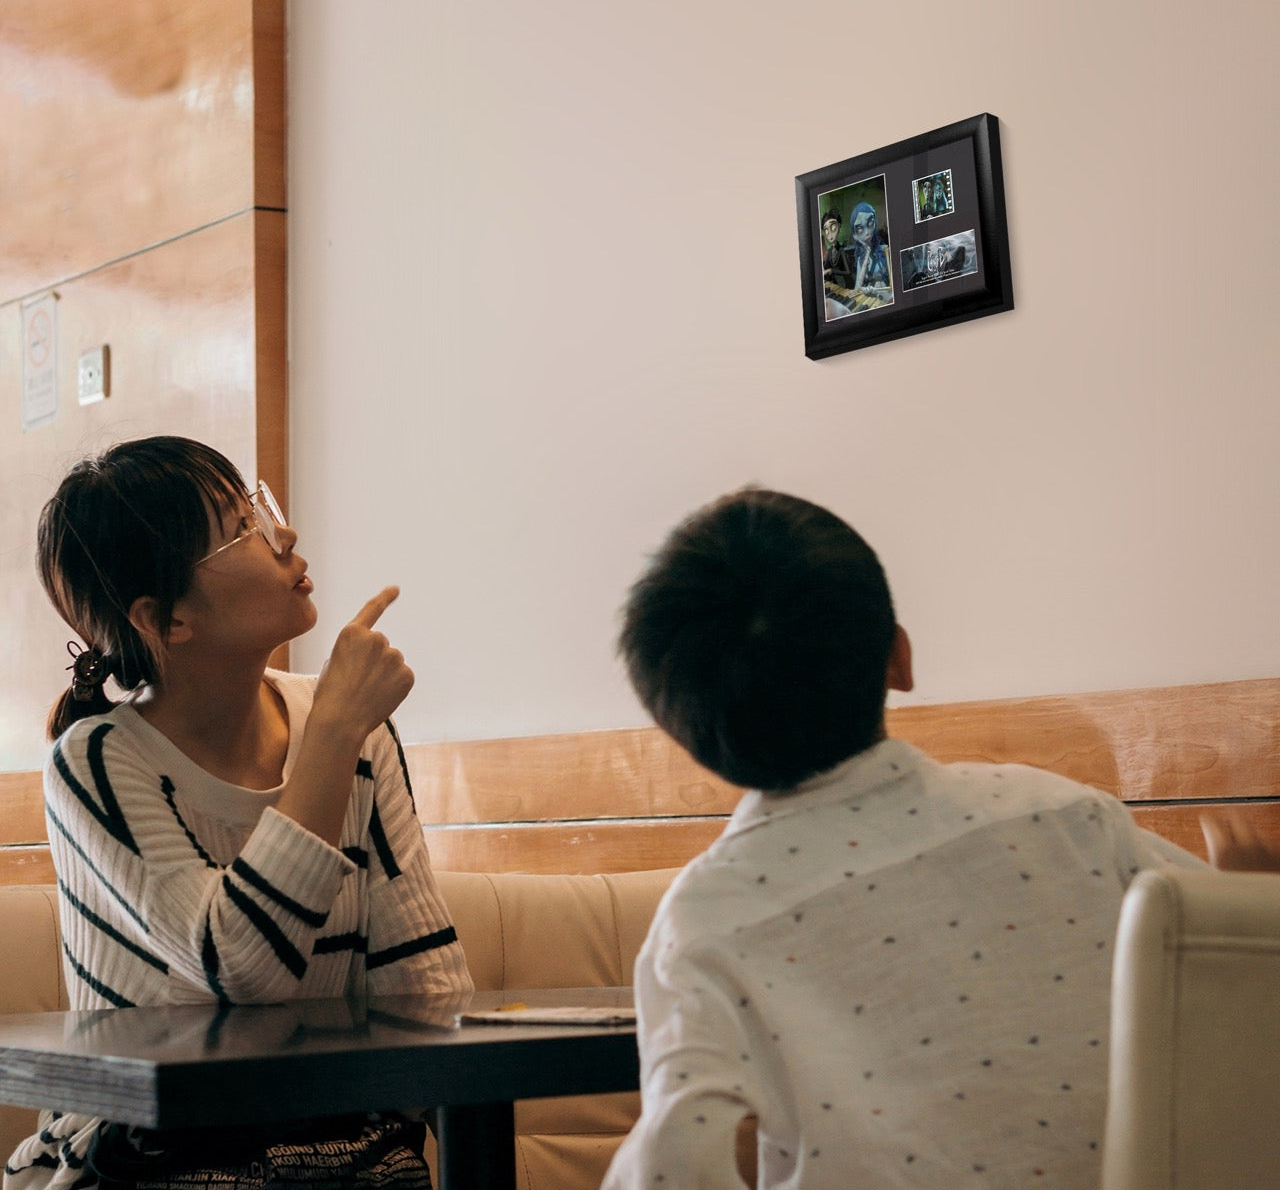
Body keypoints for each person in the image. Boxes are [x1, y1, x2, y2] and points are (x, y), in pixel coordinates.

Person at [603, 487, 1206, 1190]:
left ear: (683, 730)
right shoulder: (1063, 817)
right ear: (900, 658)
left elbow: (673, 1168)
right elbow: (1239, 951)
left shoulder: (705, 920)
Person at [5, 436, 472, 1190]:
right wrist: (332, 737)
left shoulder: (350, 723)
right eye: (243, 529)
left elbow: (425, 984)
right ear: (166, 619)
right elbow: (241, 966)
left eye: (260, 508)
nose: (283, 536)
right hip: (150, 1157)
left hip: (333, 1146)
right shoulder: (97, 763)